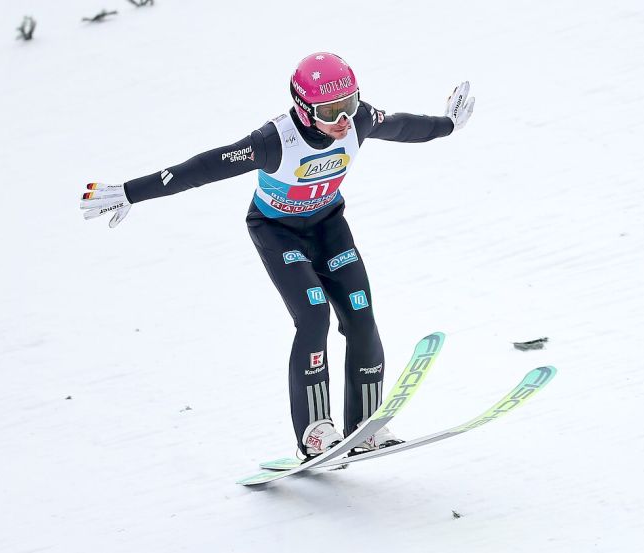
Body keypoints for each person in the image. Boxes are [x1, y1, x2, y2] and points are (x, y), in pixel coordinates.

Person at [80, 52, 475, 460]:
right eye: (330, 110)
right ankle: (316, 431)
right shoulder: (273, 142)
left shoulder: (359, 121)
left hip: (328, 227)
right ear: (304, 110)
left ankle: (366, 425)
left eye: (350, 104)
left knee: (361, 315)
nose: (343, 119)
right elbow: (201, 168)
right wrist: (130, 191)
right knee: (314, 314)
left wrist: (448, 125)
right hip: (277, 232)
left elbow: (403, 127)